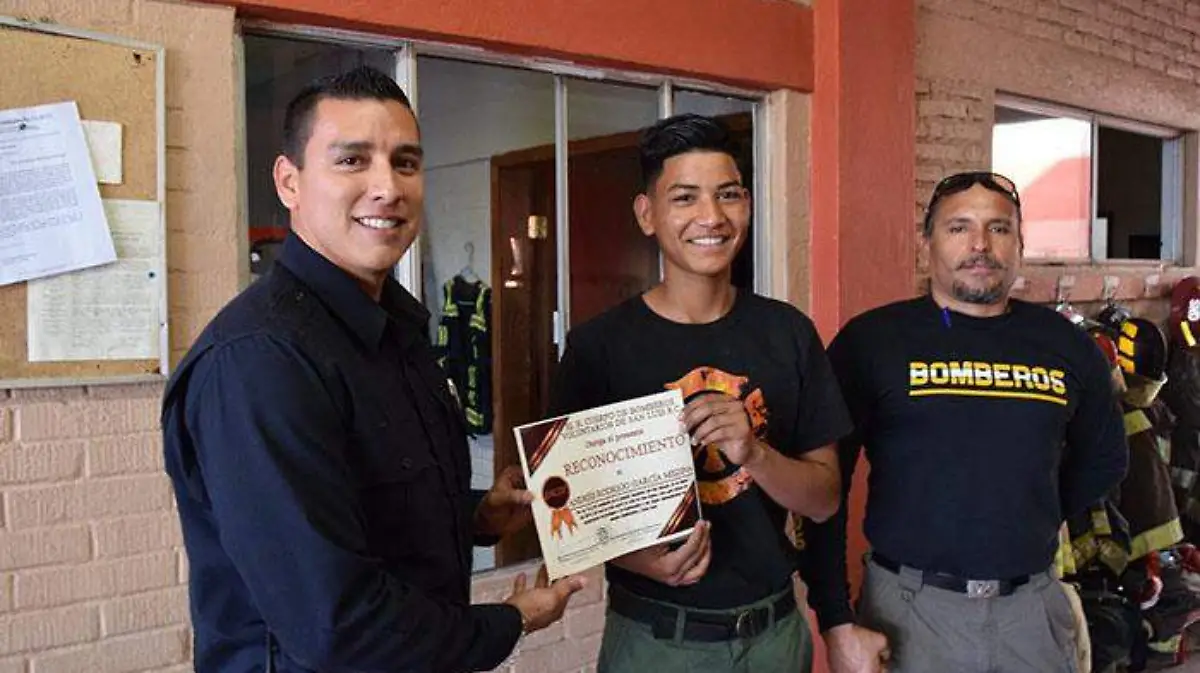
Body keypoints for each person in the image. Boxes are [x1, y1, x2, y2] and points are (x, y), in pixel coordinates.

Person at [161, 66, 583, 673]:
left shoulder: (394, 329)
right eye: (352, 161)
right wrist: (511, 620)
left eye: (405, 163)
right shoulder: (259, 361)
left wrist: (477, 515)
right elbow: (336, 623)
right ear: (289, 182)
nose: (387, 187)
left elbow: (367, 509)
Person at [549, 113, 851, 672]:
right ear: (647, 214)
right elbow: (564, 508)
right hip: (655, 641)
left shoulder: (788, 333)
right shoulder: (599, 347)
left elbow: (825, 497)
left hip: (775, 637)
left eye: (728, 195)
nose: (711, 217)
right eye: (684, 198)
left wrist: (755, 454)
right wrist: (641, 560)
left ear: (749, 205)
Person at [803, 171, 1129, 673]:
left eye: (999, 228)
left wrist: (1025, 508)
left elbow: (1105, 457)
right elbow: (826, 489)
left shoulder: (1067, 346)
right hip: (910, 612)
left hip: (1031, 613)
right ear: (926, 241)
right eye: (959, 228)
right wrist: (835, 619)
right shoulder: (872, 342)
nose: (980, 245)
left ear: (1020, 242)